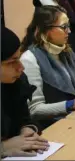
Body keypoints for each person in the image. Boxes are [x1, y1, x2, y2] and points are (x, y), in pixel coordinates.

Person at [1, 27, 49, 158]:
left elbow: (24, 117)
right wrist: (3, 147)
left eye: (19, 58)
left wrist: (27, 129)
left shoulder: (17, 81)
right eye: (11, 62)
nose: (21, 67)